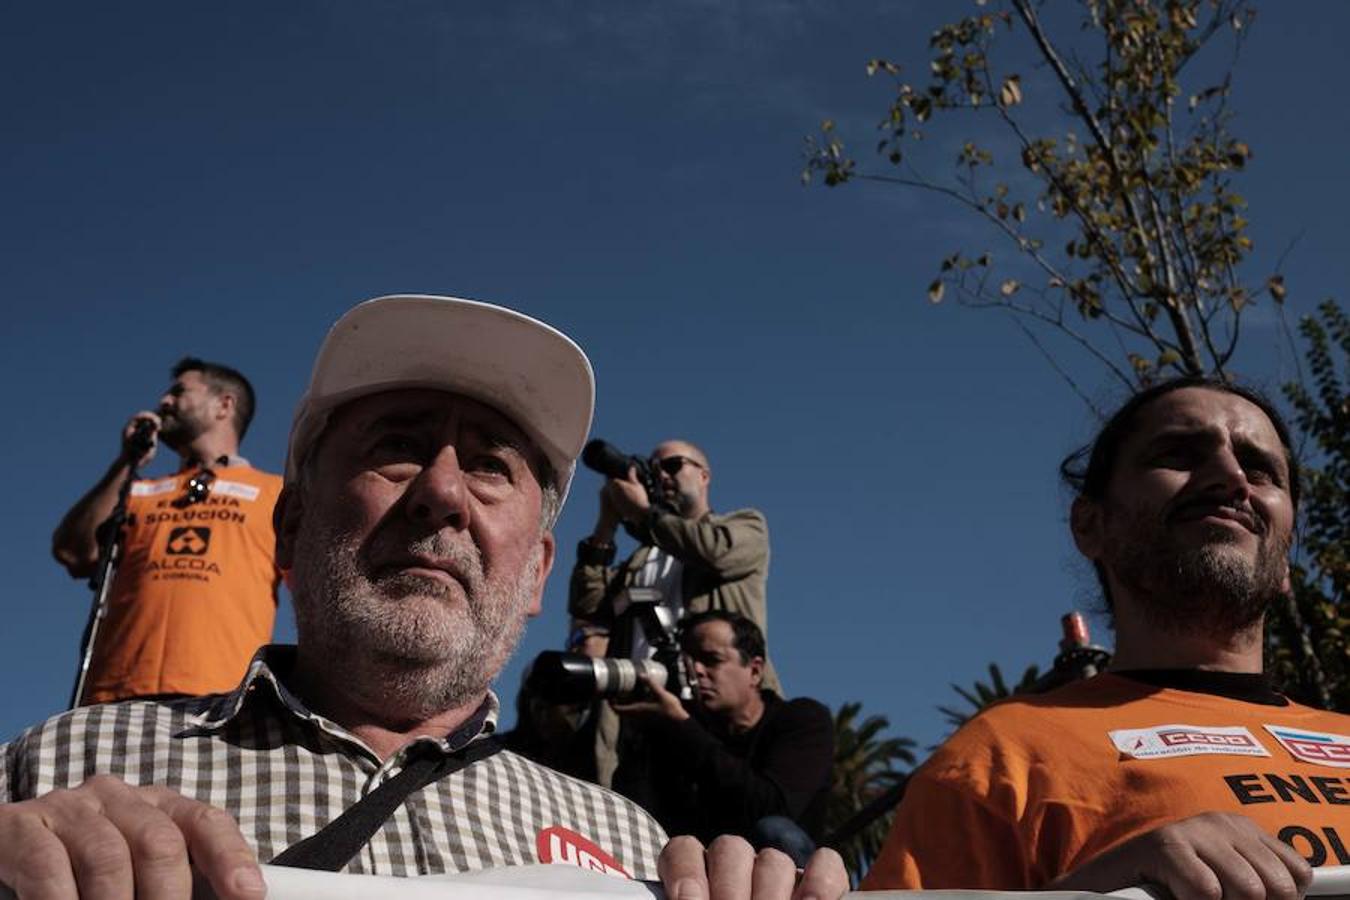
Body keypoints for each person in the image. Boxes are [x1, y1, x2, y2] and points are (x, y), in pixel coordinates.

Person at [5, 295, 847, 900]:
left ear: (536, 575)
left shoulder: (643, 855)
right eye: (397, 448)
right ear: (290, 526)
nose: (442, 491)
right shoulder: (58, 772)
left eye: (489, 466)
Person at [863, 376, 1347, 900]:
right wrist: (1093, 893)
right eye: (1179, 454)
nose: (1232, 477)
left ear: (1286, 558)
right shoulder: (997, 759)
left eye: (1260, 469)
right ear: (1090, 524)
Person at [52, 357, 281, 703]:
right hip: (114, 696)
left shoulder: (274, 494)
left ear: (224, 405)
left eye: (179, 392)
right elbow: (75, 551)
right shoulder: (138, 491)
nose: (164, 402)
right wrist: (126, 462)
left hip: (223, 700)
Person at [569, 440, 775, 788]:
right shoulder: (642, 560)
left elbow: (714, 552)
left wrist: (645, 515)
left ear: (704, 475)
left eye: (673, 465)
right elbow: (587, 604)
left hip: (713, 713)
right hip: (639, 716)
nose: (661, 475)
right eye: (654, 468)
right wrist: (606, 523)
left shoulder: (745, 526)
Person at [614, 610, 833, 866]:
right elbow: (635, 813)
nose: (696, 670)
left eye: (711, 660)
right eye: (689, 661)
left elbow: (770, 808)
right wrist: (644, 731)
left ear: (755, 671)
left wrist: (682, 726)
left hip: (779, 870)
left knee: (775, 830)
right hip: (699, 870)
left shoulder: (801, 719)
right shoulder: (681, 727)